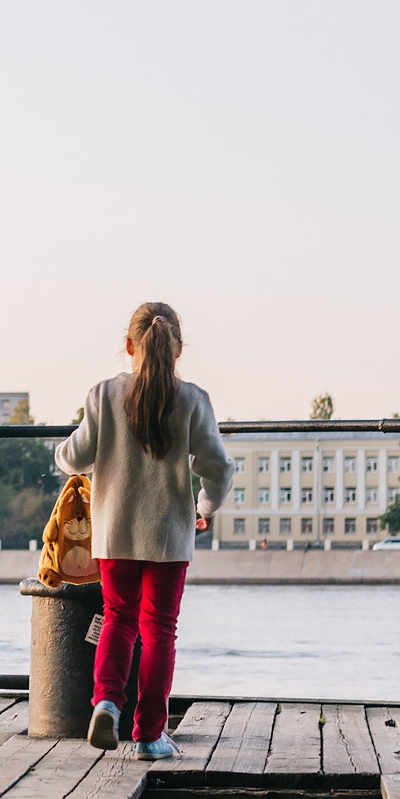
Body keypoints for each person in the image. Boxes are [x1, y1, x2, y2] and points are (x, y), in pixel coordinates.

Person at [54, 302, 233, 760]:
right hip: (170, 533)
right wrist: (207, 506)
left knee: (118, 617)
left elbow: (74, 457)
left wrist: (62, 452)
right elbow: (218, 467)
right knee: (160, 631)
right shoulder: (193, 399)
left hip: (115, 531)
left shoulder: (103, 395)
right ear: (177, 350)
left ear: (128, 346)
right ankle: (150, 735)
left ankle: (107, 701)